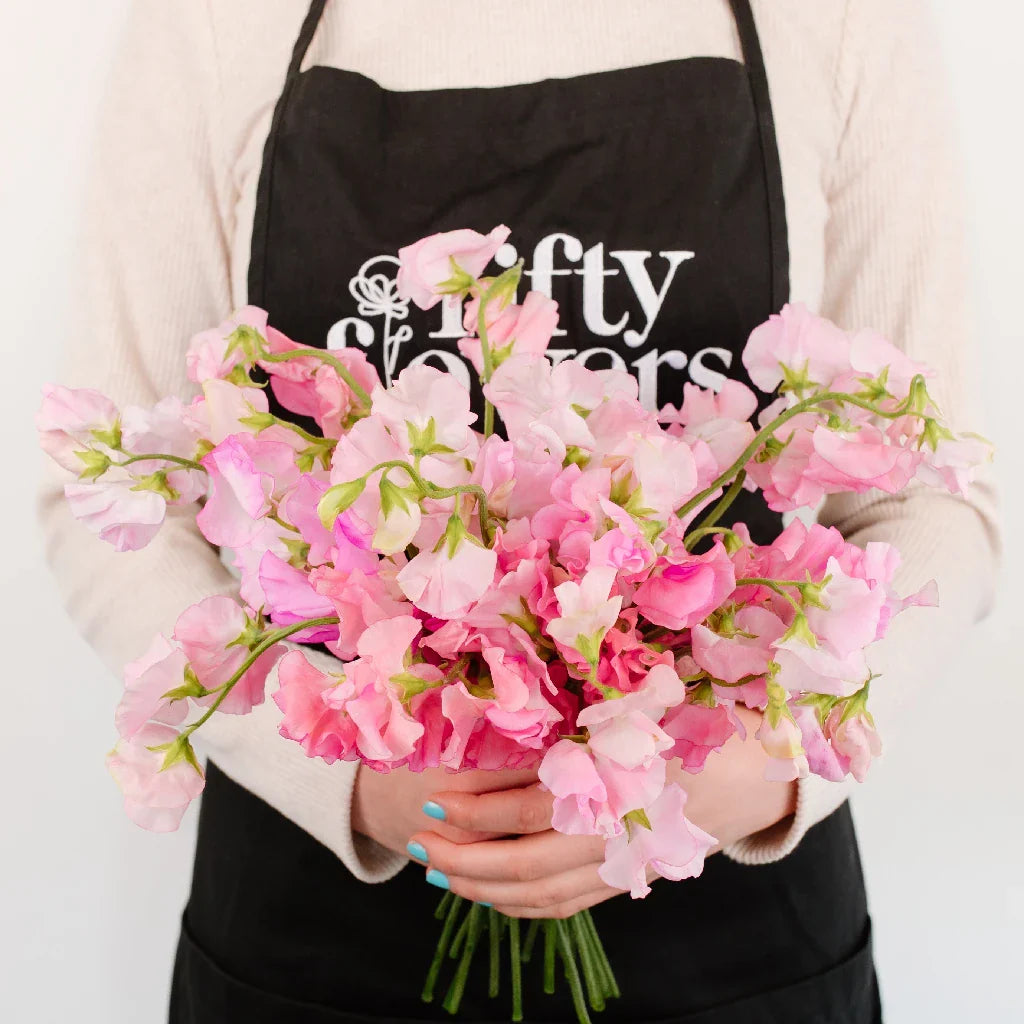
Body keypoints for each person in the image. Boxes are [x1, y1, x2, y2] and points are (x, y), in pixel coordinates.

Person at [40, 2, 1000, 1022]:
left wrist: (749, 775)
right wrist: (357, 786)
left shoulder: (840, 22)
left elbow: (937, 500)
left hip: (731, 949)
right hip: (315, 940)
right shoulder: (215, 24)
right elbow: (100, 485)